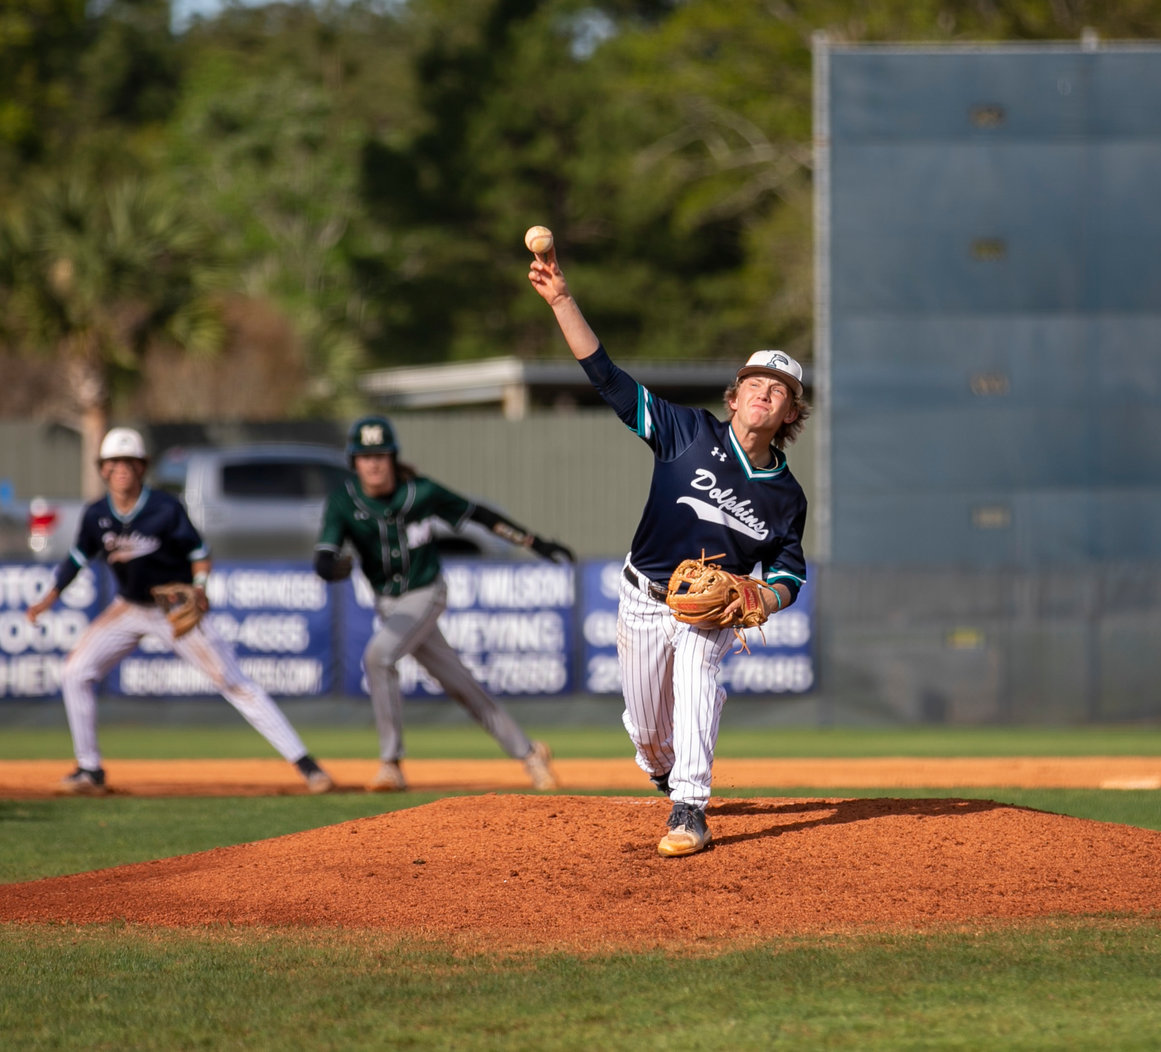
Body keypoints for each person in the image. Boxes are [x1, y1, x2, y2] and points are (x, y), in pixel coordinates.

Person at [528, 238, 809, 857]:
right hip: (643, 598)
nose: (765, 393)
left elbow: (790, 568)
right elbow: (607, 380)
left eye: (779, 389)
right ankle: (661, 764)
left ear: (790, 413)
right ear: (733, 397)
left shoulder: (786, 495)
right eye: (755, 383)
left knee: (701, 671)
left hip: (708, 613)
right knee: (652, 734)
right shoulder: (685, 431)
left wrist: (764, 594)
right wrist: (563, 300)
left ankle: (690, 809)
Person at [26, 427, 335, 794]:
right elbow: (77, 558)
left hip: (174, 609)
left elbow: (200, 554)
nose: (121, 469)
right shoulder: (96, 514)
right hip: (128, 606)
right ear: (103, 469)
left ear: (143, 467)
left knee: (232, 680)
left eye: (129, 462)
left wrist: (200, 590)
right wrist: (51, 595)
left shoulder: (164, 508)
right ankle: (89, 770)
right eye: (113, 463)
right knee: (75, 671)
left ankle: (307, 765)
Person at [314, 415, 571, 792]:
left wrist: (533, 541)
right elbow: (324, 555)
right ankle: (531, 753)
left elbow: (478, 514)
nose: (373, 463)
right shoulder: (343, 501)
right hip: (389, 604)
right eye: (365, 456)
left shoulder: (421, 491)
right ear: (354, 461)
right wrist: (331, 568)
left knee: (377, 656)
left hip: (425, 592)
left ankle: (391, 764)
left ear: (393, 458)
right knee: (462, 686)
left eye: (381, 455)